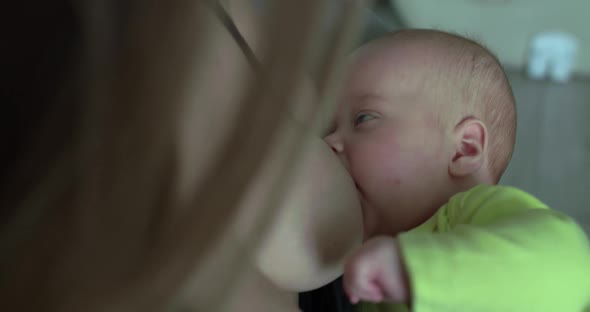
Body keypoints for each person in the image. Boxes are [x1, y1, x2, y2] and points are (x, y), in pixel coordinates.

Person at [323, 29, 590, 312]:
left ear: (465, 148)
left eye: (364, 118)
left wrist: (412, 270)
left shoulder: (472, 214)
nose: (328, 142)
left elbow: (567, 264)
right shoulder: (360, 274)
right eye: (327, 129)